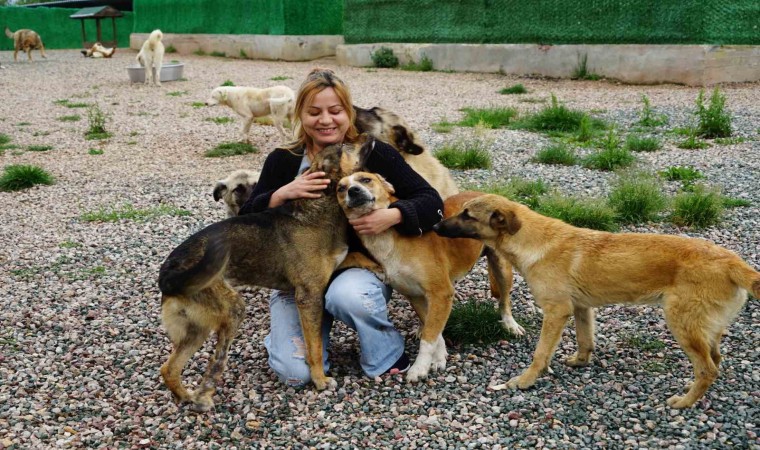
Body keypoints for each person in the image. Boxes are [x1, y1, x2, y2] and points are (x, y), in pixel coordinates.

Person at [239, 68, 444, 387]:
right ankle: (286, 339)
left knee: (349, 296)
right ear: (299, 114)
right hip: (301, 277)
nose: (325, 120)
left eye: (335, 111)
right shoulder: (283, 160)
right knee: (295, 375)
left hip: (356, 269)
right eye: (314, 112)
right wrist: (278, 195)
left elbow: (431, 200)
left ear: (348, 113)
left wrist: (394, 214)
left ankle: (386, 354)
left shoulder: (374, 153)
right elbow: (244, 225)